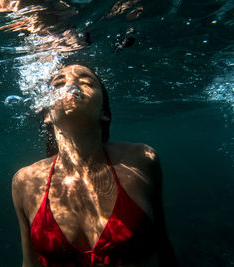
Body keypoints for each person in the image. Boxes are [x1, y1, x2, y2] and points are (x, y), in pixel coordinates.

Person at [12, 64, 178, 266]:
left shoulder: (142, 159)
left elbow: (162, 244)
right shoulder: (25, 180)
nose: (71, 85)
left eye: (86, 82)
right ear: (47, 115)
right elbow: (29, 262)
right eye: (59, 83)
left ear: (104, 112)